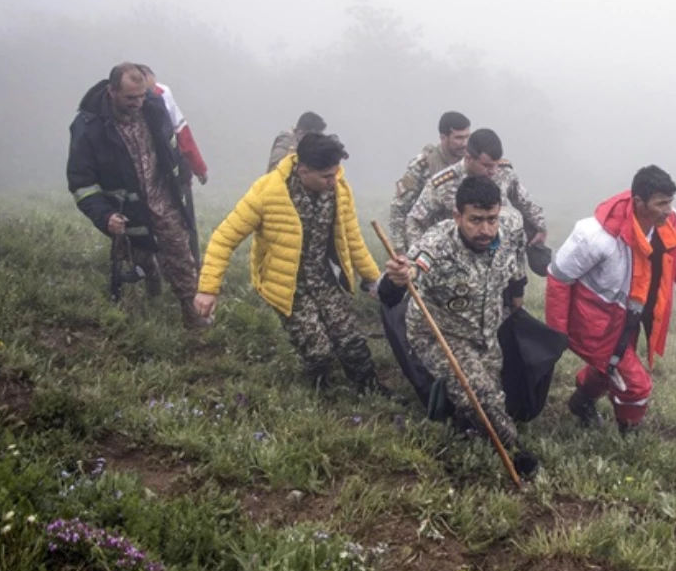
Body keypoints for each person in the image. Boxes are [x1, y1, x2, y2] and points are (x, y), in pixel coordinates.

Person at [194, 133, 395, 397]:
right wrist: (208, 288)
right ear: (303, 170)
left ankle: (370, 389)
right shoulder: (267, 192)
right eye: (326, 176)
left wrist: (373, 279)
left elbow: (352, 238)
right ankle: (321, 391)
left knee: (350, 338)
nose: (333, 181)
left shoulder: (339, 190)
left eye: (336, 173)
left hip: (323, 279)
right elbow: (223, 238)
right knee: (318, 349)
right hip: (287, 284)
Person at [381, 175, 540, 477]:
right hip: (440, 334)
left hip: (485, 333)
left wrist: (517, 297)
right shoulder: (435, 244)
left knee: (493, 393)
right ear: (457, 216)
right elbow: (408, 275)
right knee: (483, 398)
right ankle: (517, 455)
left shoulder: (509, 228)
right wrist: (397, 277)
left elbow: (517, 263)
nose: (485, 230)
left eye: (491, 219)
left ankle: (461, 421)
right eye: (476, 220)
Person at [546, 165, 676, 434]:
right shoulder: (596, 236)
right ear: (638, 202)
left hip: (627, 319)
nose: (668, 209)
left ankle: (581, 402)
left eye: (670, 202)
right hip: (594, 320)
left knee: (608, 367)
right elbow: (559, 279)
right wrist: (555, 335)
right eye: (661, 203)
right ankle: (629, 434)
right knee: (636, 383)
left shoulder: (669, 225)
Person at [66, 62, 206, 328]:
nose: (138, 102)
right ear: (112, 91)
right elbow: (81, 182)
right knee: (142, 262)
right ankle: (149, 292)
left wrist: (183, 178)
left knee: (181, 256)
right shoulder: (88, 126)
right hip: (126, 212)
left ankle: (194, 317)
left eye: (142, 95)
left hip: (163, 200)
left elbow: (172, 146)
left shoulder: (154, 107)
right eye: (131, 97)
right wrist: (104, 216)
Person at [404, 128, 547, 253]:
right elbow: (415, 220)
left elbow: (525, 202)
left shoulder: (504, 173)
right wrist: (420, 254)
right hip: (455, 259)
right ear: (469, 158)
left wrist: (541, 227)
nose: (493, 171)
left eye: (495, 165)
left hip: (498, 258)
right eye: (486, 166)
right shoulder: (442, 184)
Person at [389, 111, 471, 251]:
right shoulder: (422, 165)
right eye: (458, 138)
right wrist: (401, 251)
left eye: (467, 137)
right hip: (427, 244)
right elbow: (399, 210)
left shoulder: (470, 163)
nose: (464, 143)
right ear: (443, 137)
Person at [136, 64, 209, 186]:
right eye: (147, 92)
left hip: (173, 164)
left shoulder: (163, 93)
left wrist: (198, 167)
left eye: (153, 89)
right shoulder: (127, 103)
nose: (151, 96)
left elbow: (182, 131)